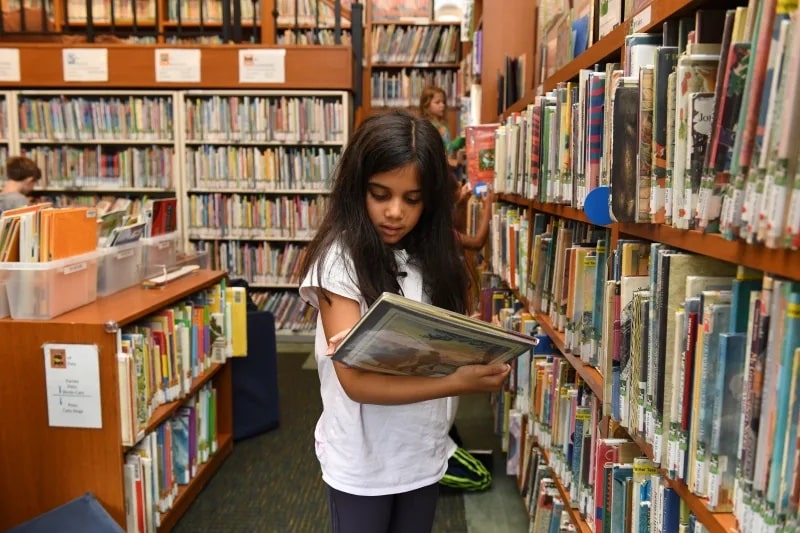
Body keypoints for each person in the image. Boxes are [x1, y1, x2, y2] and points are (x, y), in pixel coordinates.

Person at [298, 110, 511, 533]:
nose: (395, 212)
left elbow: (437, 334)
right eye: (380, 195)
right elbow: (356, 383)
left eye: (412, 200)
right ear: (356, 188)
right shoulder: (339, 262)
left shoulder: (433, 256)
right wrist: (458, 381)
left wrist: (475, 340)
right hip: (362, 460)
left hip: (421, 448)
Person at [419, 85, 465, 173]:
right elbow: (432, 153)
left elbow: (448, 147)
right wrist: (449, 162)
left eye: (443, 102)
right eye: (437, 102)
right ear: (426, 105)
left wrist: (459, 141)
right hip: (438, 171)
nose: (442, 105)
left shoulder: (442, 124)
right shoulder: (428, 127)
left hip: (448, 169)